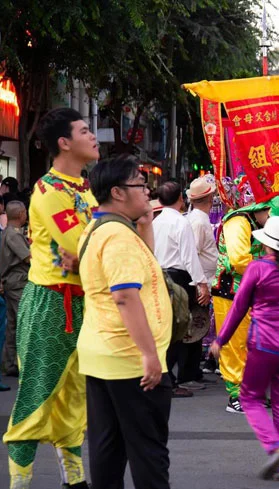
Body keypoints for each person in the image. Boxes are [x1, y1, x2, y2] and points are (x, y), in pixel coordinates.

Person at [4, 108, 98, 489]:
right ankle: (19, 483)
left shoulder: (84, 187)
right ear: (64, 143)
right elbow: (83, 244)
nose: (93, 136)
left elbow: (93, 244)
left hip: (84, 302)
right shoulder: (49, 191)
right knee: (37, 396)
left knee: (75, 398)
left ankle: (74, 480)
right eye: (85, 130)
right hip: (50, 305)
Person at [75, 155, 173, 489]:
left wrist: (145, 225)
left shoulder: (102, 227)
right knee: (148, 451)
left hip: (105, 354)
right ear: (118, 192)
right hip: (130, 359)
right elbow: (125, 295)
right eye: (140, 185)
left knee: (109, 447)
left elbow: (143, 271)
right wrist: (148, 354)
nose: (148, 192)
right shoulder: (117, 236)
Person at [209, 216, 279, 480]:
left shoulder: (257, 269)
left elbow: (238, 308)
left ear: (267, 245)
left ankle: (275, 447)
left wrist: (220, 340)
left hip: (264, 343)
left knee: (250, 398)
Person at [213, 195, 279, 413]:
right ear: (263, 210)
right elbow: (239, 261)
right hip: (231, 291)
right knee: (234, 344)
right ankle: (235, 394)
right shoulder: (238, 221)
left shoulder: (258, 223)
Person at [153, 181, 210, 397]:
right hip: (177, 278)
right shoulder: (181, 222)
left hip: (159, 276)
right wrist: (201, 284)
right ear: (180, 199)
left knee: (165, 328)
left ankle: (166, 377)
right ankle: (170, 381)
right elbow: (189, 257)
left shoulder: (156, 222)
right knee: (177, 329)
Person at [185, 177, 219, 384]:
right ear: (209, 197)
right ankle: (190, 372)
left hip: (204, 278)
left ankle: (194, 372)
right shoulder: (198, 220)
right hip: (201, 279)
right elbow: (194, 253)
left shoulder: (199, 218)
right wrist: (201, 284)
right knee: (196, 324)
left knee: (199, 323)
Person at [0, 201, 29, 379]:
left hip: (10, 283)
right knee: (22, 323)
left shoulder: (6, 233)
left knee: (12, 325)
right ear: (20, 214)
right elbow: (27, 258)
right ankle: (20, 363)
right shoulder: (14, 235)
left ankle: (10, 363)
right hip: (18, 282)